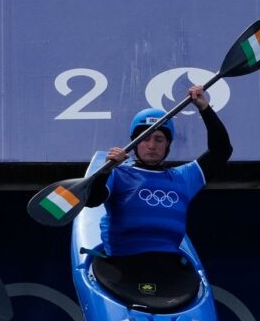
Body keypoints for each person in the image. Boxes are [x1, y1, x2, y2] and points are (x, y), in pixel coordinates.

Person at [80, 86, 232, 308]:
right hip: (122, 270)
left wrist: (205, 108)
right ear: (135, 142)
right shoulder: (119, 173)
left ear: (168, 144)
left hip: (167, 272)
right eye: (145, 138)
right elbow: (93, 199)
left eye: (159, 139)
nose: (152, 145)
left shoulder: (183, 177)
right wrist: (105, 171)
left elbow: (221, 150)